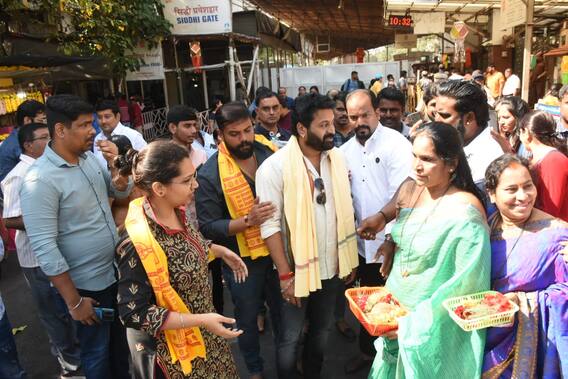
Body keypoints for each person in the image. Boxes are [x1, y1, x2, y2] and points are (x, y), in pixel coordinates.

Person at [20, 94, 132, 379]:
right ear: (60, 130)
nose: (93, 130)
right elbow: (45, 247)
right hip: (85, 289)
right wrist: (74, 302)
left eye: (91, 123)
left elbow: (119, 193)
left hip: (113, 274)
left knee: (119, 352)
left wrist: (117, 170)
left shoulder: (90, 160)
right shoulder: (40, 180)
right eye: (83, 125)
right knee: (96, 357)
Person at [115, 140, 247, 379]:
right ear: (159, 188)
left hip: (207, 336)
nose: (195, 185)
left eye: (193, 177)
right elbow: (133, 313)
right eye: (187, 181)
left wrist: (218, 250)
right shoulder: (137, 243)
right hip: (175, 356)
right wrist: (201, 320)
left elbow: (184, 250)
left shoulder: (179, 213)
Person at [368, 122, 491, 378]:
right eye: (414, 156)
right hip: (394, 308)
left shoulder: (465, 212)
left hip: (430, 324)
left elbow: (467, 285)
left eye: (427, 159)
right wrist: (390, 240)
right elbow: (406, 227)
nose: (416, 166)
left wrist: (413, 324)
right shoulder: (412, 188)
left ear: (452, 163)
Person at [256, 93, 359, 378]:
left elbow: (343, 209)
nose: (331, 130)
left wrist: (345, 257)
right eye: (323, 125)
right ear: (302, 129)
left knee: (322, 332)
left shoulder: (337, 159)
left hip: (331, 267)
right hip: (296, 271)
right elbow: (270, 226)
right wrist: (286, 275)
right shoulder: (274, 169)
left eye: (332, 123)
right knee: (289, 339)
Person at [195, 102, 282, 379]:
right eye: (235, 134)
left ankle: (288, 363)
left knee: (285, 315)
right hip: (241, 262)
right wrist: (248, 221)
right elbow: (208, 227)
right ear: (219, 134)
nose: (244, 138)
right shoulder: (209, 174)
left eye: (247, 130)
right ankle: (254, 369)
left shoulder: (267, 151)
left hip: (278, 251)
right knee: (245, 320)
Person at [1, 123, 82, 377]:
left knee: (69, 307)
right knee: (53, 313)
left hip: (58, 252)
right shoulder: (18, 175)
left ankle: (73, 355)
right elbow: (10, 219)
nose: (50, 141)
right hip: (35, 259)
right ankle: (68, 362)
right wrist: (49, 215)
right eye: (43, 138)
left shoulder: (47, 167)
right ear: (27, 145)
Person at [341, 89, 413, 374]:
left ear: (376, 112)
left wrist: (390, 240)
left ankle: (391, 360)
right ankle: (366, 352)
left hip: (390, 242)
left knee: (391, 304)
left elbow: (403, 195)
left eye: (365, 114)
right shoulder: (343, 151)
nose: (360, 121)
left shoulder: (396, 144)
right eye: (353, 116)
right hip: (360, 245)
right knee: (367, 301)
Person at [482, 154, 568, 378]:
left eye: (528, 186)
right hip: (487, 339)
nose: (523, 196)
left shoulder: (557, 235)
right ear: (492, 194)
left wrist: (521, 302)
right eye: (511, 189)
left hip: (541, 350)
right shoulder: (483, 232)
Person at [434, 80, 503, 189]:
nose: (436, 121)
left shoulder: (489, 157)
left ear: (469, 118)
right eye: (435, 114)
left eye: (445, 116)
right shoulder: (458, 144)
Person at [518, 111, 568, 222]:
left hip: (554, 232)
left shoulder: (553, 160)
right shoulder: (536, 159)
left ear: (526, 132)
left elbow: (550, 209)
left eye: (519, 132)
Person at [0, 100, 46, 183]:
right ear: (27, 120)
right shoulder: (17, 144)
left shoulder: (21, 136)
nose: (44, 125)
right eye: (41, 121)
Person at [94, 99, 147, 170]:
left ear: (118, 116)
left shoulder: (133, 136)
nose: (103, 121)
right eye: (99, 117)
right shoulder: (97, 139)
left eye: (107, 117)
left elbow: (146, 163)